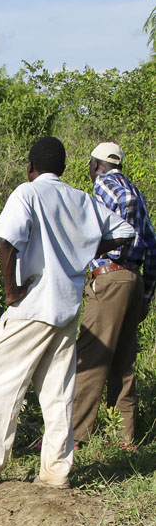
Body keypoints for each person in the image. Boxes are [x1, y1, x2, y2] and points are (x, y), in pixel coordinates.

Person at [0, 136, 135, 490]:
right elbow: (124, 232)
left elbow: (4, 240)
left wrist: (11, 291)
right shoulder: (80, 198)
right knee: (57, 389)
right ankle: (56, 471)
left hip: (33, 305)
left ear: (31, 166)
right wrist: (83, 248)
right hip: (66, 307)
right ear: (63, 168)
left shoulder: (28, 193)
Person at [72, 141, 156, 450]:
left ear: (95, 165)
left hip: (111, 278)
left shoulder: (104, 186)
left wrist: (110, 253)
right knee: (124, 361)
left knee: (91, 357)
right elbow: (153, 246)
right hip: (134, 280)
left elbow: (109, 222)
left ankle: (73, 435)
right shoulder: (136, 191)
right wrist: (146, 295)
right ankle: (125, 437)